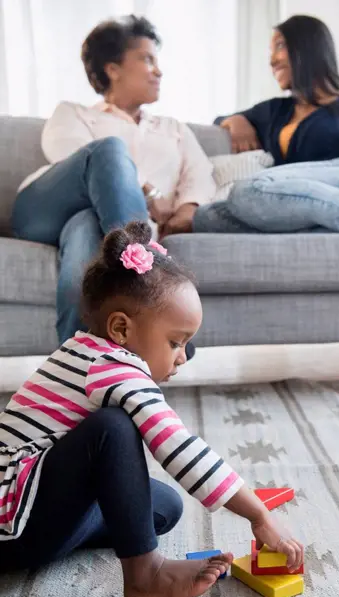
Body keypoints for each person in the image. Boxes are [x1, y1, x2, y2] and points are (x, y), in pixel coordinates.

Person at [0, 221, 303, 597]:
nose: (182, 356)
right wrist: (258, 514)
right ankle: (145, 578)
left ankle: (82, 539)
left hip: (30, 503)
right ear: (122, 329)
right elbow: (177, 445)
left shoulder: (86, 350)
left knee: (163, 508)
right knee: (112, 429)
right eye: (175, 342)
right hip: (13, 525)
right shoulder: (112, 367)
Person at [12, 15, 214, 354]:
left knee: (87, 231)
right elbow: (69, 154)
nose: (159, 70)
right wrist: (148, 191)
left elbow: (200, 176)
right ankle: (150, 280)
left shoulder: (174, 128)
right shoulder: (74, 114)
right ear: (113, 69)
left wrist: (186, 211)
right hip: (44, 211)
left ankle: (83, 368)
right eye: (147, 59)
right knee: (108, 150)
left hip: (90, 224)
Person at [178, 15, 339, 237]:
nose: (272, 61)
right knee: (206, 217)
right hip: (297, 196)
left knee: (247, 191)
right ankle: (332, 225)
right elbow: (220, 119)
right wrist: (237, 121)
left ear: (307, 48)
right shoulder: (276, 110)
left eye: (279, 46)